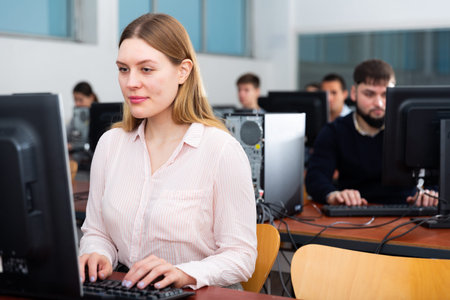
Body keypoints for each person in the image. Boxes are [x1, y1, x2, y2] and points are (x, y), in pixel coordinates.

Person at [78, 13, 257, 291]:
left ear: (183, 71)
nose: (131, 83)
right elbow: (97, 232)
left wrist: (184, 273)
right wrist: (97, 252)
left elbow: (242, 257)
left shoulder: (221, 151)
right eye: (123, 69)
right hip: (130, 291)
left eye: (146, 69)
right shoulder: (111, 144)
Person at [305, 59, 438, 207]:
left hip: (406, 213)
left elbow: (438, 175)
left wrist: (432, 194)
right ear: (354, 93)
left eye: (385, 94)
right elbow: (315, 177)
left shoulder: (411, 129)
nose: (379, 103)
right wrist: (333, 195)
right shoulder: (334, 131)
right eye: (369, 94)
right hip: (353, 212)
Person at [67, 81, 99, 166]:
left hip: (94, 160)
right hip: (78, 161)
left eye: (80, 100)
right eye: (75, 100)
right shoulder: (75, 117)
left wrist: (73, 145)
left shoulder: (100, 116)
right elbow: (66, 135)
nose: (77, 103)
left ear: (91, 97)